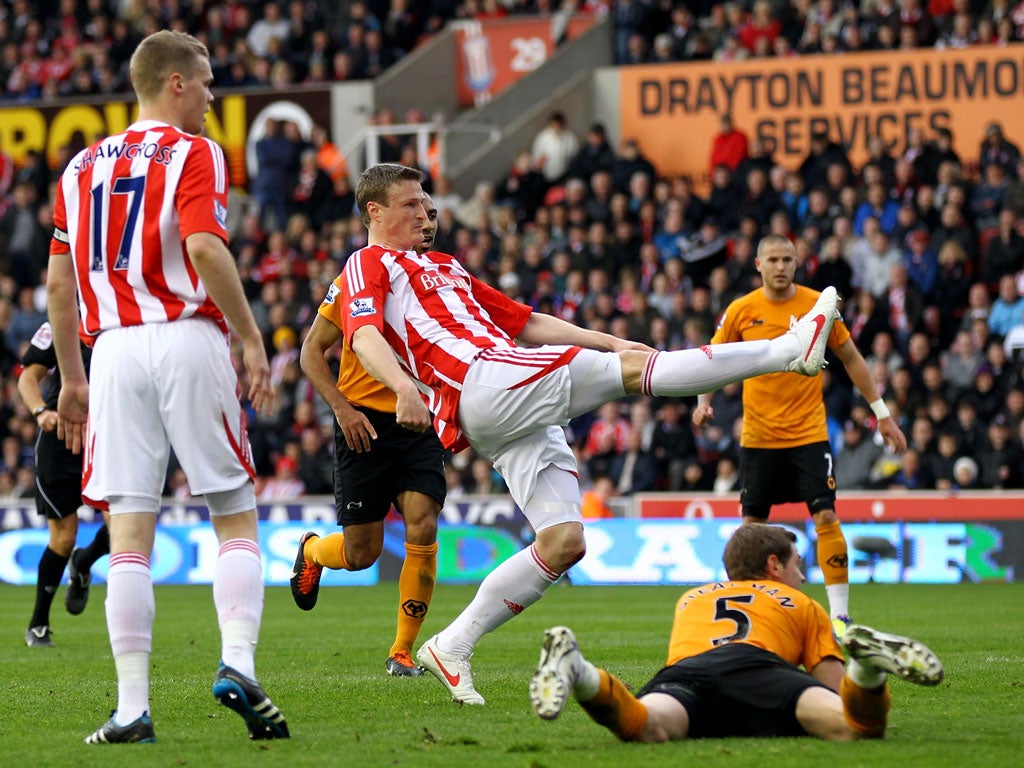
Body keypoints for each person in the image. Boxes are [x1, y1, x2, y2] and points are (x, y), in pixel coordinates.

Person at [336, 163, 840, 705]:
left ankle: (451, 646)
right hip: (482, 380)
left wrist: (611, 341)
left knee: (564, 542)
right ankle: (787, 352)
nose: (425, 212)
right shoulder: (368, 263)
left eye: (425, 202)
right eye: (410, 204)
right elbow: (363, 335)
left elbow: (526, 323)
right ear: (375, 211)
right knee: (637, 378)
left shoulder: (444, 267)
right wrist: (402, 388)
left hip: (502, 395)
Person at [47, 30, 287, 744]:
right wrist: (250, 337)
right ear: (176, 83)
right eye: (207, 82)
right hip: (187, 335)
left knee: (128, 534)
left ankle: (130, 708)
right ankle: (238, 662)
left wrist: (70, 375)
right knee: (234, 513)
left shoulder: (80, 167)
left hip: (113, 350)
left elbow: (60, 284)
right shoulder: (196, 153)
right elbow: (205, 245)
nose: (214, 96)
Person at [529, 524, 943, 741]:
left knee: (646, 725)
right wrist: (850, 688)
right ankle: (868, 670)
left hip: (689, 675)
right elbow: (833, 690)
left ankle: (580, 671)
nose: (802, 573)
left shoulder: (692, 597)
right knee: (856, 726)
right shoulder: (800, 603)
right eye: (797, 563)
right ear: (774, 566)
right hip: (762, 669)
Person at [692, 234, 908, 631]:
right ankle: (747, 611)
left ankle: (840, 617)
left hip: (809, 433)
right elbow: (713, 357)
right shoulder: (741, 310)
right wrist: (703, 401)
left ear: (796, 263)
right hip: (758, 437)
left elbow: (852, 358)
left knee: (826, 515)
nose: (780, 266)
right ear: (758, 265)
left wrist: (882, 414)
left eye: (786, 259)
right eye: (772, 259)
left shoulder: (816, 304)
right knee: (751, 528)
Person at [292, 193, 445, 678]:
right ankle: (314, 549)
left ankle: (402, 651)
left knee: (423, 524)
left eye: (430, 214)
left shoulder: (442, 279)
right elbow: (311, 352)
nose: (425, 222)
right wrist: (340, 410)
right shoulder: (355, 278)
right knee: (362, 555)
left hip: (417, 419)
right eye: (416, 212)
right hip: (362, 424)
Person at [17, 322, 110, 647]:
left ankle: (85, 562)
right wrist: (40, 410)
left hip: (109, 435)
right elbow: (28, 376)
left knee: (123, 528)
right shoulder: (62, 318)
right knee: (63, 536)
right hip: (61, 438)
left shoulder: (127, 311)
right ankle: (38, 624)